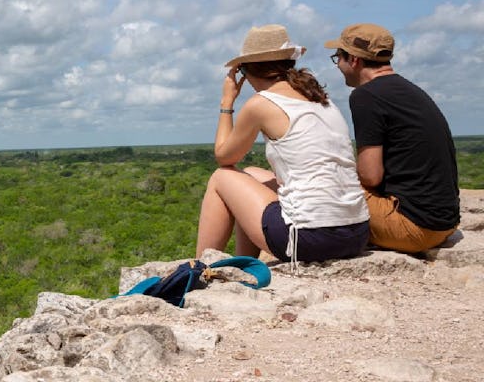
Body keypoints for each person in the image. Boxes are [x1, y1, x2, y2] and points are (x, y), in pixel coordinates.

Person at [195, 24, 369, 264]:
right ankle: (244, 263)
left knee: (221, 176)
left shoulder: (260, 103)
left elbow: (224, 157)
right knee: (251, 174)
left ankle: (199, 269)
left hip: (310, 238)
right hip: (356, 233)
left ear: (247, 70)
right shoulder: (321, 98)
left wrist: (227, 102)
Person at [325, 23, 460, 253]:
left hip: (414, 228)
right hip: (445, 224)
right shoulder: (411, 90)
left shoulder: (365, 96)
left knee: (318, 187)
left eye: (338, 57)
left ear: (354, 60)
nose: (338, 64)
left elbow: (371, 176)